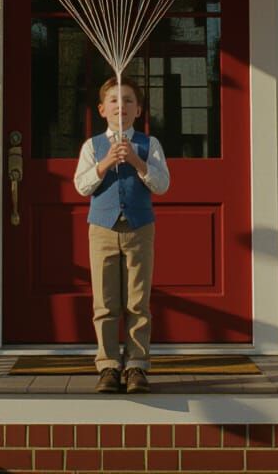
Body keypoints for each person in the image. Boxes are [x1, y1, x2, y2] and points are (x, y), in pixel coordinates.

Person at [73, 76, 170, 394]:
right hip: (102, 229)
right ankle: (108, 366)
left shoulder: (148, 144)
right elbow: (82, 185)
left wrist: (137, 161)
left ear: (138, 109)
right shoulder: (92, 146)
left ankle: (137, 365)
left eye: (128, 100)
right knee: (105, 302)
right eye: (114, 100)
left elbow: (162, 185)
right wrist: (104, 165)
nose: (121, 106)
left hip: (139, 229)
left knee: (138, 301)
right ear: (102, 109)